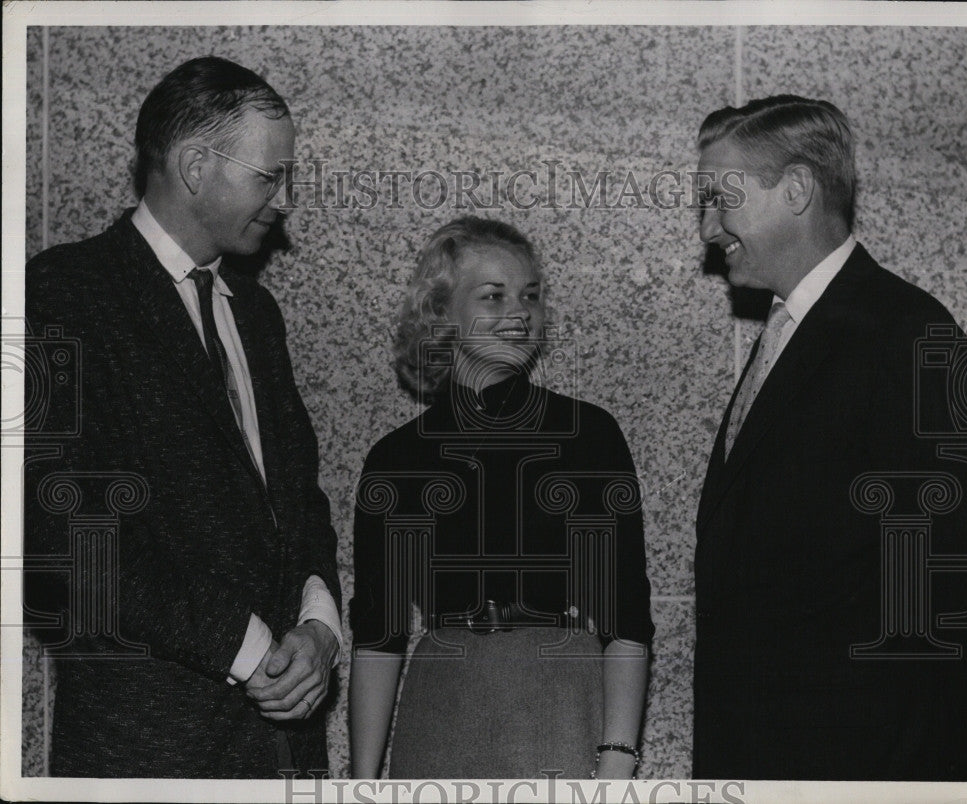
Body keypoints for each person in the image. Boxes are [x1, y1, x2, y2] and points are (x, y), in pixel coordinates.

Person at [24, 56, 342, 778]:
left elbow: (300, 504)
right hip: (148, 751)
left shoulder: (257, 316)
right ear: (196, 165)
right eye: (269, 177)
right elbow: (62, 531)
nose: (285, 199)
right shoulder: (60, 295)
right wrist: (248, 648)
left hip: (283, 754)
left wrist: (319, 627)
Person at [693, 95, 967, 780]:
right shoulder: (790, 331)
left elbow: (936, 606)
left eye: (718, 199)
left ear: (795, 189)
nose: (707, 227)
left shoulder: (909, 336)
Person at [348, 217, 654, 779]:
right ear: (441, 313)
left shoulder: (588, 436)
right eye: (494, 296)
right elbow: (378, 636)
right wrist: (363, 784)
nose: (519, 313)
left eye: (530, 297)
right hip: (440, 703)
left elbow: (626, 617)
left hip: (560, 697)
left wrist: (616, 766)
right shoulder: (396, 459)